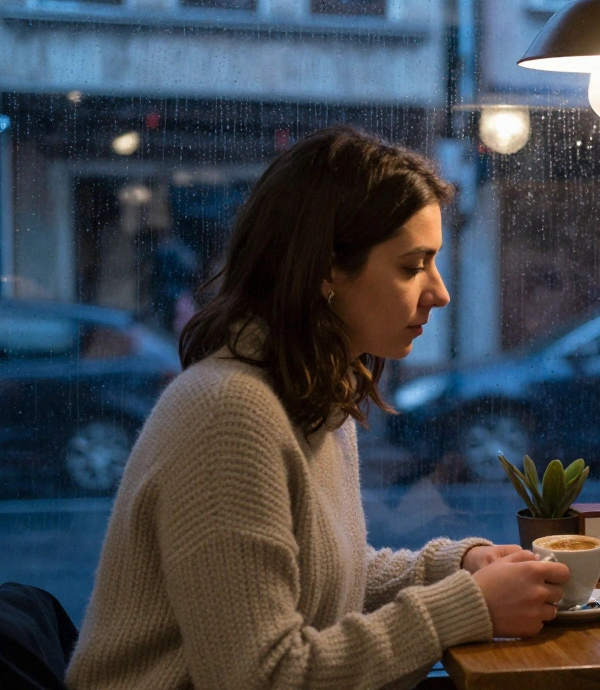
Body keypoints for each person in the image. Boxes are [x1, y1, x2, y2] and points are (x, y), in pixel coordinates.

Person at [68, 126, 570, 690]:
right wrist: (463, 606)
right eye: (413, 266)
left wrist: (454, 568)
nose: (439, 291)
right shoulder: (228, 413)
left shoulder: (310, 392)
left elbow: (323, 576)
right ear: (327, 269)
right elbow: (263, 676)